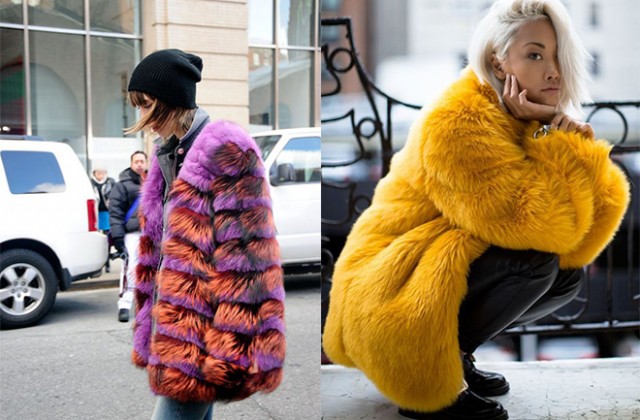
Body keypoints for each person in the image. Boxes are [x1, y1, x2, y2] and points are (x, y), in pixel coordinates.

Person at [322, 1, 630, 419]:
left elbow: (583, 241)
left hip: (417, 274)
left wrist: (574, 146)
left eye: (558, 55)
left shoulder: (521, 116)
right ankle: (426, 381)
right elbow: (539, 226)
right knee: (534, 262)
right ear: (498, 63)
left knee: (564, 277)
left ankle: (455, 357)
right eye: (535, 55)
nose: (553, 70)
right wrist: (557, 142)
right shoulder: (461, 122)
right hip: (386, 292)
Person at [125, 49, 285, 420]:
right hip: (177, 331)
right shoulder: (169, 154)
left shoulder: (226, 149)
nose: (143, 117)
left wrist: (229, 347)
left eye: (147, 104)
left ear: (172, 99)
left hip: (204, 336)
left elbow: (248, 259)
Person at [109, 150, 148, 322]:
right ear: (131, 163)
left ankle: (146, 306)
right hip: (132, 234)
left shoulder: (155, 182)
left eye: (142, 161)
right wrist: (118, 238)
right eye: (136, 161)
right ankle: (125, 304)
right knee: (131, 269)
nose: (139, 164)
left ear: (146, 163)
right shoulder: (121, 186)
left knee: (151, 270)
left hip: (151, 233)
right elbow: (115, 212)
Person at [91, 167, 116, 272]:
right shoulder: (91, 183)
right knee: (96, 239)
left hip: (106, 214)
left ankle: (107, 263)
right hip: (94, 214)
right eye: (98, 173)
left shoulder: (110, 182)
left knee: (106, 238)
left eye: (102, 173)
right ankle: (97, 265)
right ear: (94, 173)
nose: (100, 175)